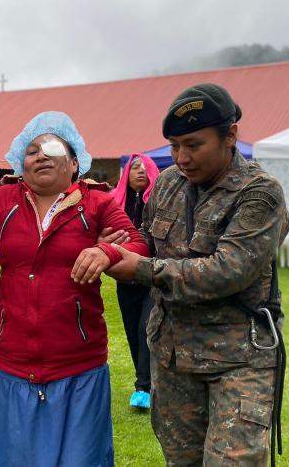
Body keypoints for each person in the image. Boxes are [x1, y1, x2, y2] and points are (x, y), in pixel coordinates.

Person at [0, 111, 149, 467]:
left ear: (74, 162)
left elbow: (138, 247)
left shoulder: (96, 203)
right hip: (15, 363)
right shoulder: (2, 201)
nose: (40, 155)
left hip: (79, 365)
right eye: (32, 150)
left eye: (51, 148)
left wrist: (107, 251)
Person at [106, 84, 289, 466]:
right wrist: (117, 246)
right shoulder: (169, 183)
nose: (181, 157)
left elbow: (229, 270)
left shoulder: (260, 193)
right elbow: (147, 239)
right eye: (174, 146)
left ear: (230, 136)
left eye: (193, 144)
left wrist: (141, 268)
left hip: (238, 361)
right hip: (173, 355)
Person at [109, 153, 160, 409]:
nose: (140, 171)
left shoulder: (159, 204)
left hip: (152, 277)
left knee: (145, 328)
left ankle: (144, 388)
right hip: (125, 279)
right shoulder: (114, 205)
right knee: (132, 330)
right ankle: (144, 383)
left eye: (145, 168)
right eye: (135, 167)